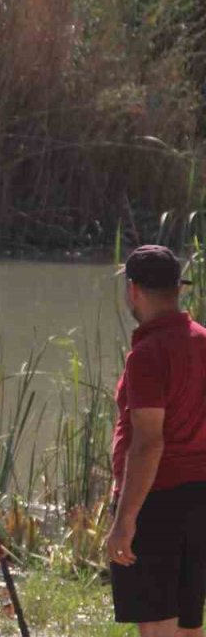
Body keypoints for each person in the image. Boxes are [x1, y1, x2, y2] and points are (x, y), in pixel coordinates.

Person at [106, 245, 206, 637]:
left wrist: (125, 520)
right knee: (188, 624)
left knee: (157, 626)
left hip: (157, 502)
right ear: (178, 288)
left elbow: (149, 443)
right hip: (199, 500)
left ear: (133, 290)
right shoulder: (202, 340)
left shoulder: (148, 354)